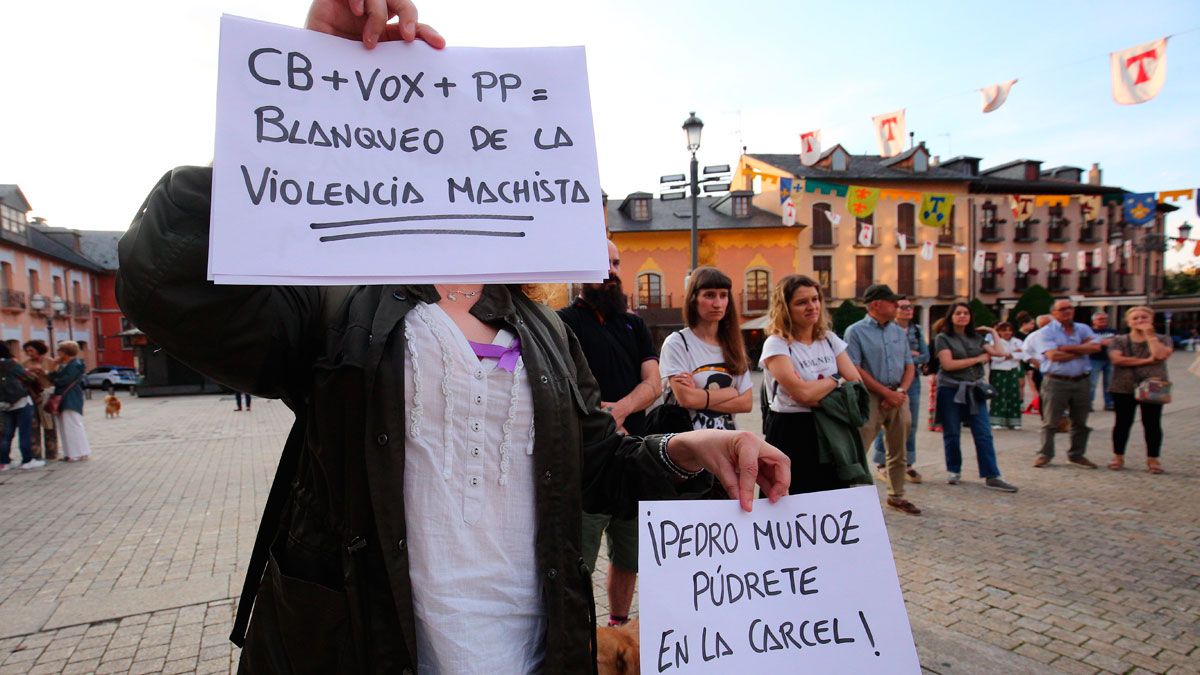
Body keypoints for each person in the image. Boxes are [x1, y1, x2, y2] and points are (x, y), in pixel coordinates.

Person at [115, 4, 790, 672]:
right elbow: (167, 284)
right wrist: (293, 111)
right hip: (361, 648)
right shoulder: (338, 296)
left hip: (531, 653)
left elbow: (595, 463)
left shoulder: (544, 330)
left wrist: (688, 447)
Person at [557, 240, 662, 628]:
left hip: (634, 457)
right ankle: (579, 632)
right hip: (586, 461)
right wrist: (598, 418)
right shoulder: (561, 323)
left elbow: (654, 382)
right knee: (579, 556)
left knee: (629, 554)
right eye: (604, 262)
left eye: (617, 262)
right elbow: (561, 387)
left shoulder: (634, 325)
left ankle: (617, 625)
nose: (613, 270)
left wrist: (620, 410)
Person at [759, 275, 865, 494]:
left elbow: (855, 382)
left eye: (815, 299)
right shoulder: (777, 344)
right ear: (785, 308)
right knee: (789, 497)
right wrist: (836, 379)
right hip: (791, 430)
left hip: (830, 428)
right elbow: (803, 395)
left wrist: (817, 389)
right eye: (802, 302)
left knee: (831, 497)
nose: (812, 306)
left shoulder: (828, 339)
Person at [844, 284, 919, 515]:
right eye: (892, 301)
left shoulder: (898, 331)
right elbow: (854, 368)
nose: (897, 305)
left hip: (898, 396)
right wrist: (886, 394)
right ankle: (850, 498)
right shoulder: (855, 331)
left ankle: (897, 496)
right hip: (870, 398)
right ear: (876, 304)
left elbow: (909, 365)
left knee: (899, 449)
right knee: (859, 449)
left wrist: (901, 392)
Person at [934, 303, 1018, 492]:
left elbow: (1000, 353)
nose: (962, 316)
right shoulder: (943, 338)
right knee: (952, 432)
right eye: (958, 313)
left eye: (966, 313)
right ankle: (954, 469)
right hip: (951, 389)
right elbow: (948, 364)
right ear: (951, 316)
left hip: (975, 390)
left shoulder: (977, 338)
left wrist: (992, 331)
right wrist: (978, 359)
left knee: (983, 433)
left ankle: (992, 475)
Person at [659, 267, 753, 432]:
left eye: (723, 295)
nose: (717, 304)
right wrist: (730, 392)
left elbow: (746, 403)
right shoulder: (677, 343)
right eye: (709, 295)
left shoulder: (733, 345)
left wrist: (699, 395)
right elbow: (686, 399)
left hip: (728, 441)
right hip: (688, 442)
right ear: (693, 299)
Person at [1028, 300, 1100, 468]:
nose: (1067, 311)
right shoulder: (1045, 333)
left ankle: (1076, 454)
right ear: (1054, 313)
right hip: (1056, 381)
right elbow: (1054, 356)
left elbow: (1096, 347)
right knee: (1051, 421)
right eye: (1062, 309)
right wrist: (1082, 349)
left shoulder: (1083, 328)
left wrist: (1066, 348)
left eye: (1070, 308)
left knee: (1080, 421)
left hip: (1081, 380)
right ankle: (1045, 454)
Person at [1107, 306, 1173, 473]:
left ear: (1151, 320)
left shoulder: (1162, 338)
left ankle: (1153, 459)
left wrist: (1150, 336)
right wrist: (1146, 361)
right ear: (1128, 322)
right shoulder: (1119, 340)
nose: (1140, 321)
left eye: (1144, 317)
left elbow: (1160, 355)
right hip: (1123, 386)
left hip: (1154, 385)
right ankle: (1118, 455)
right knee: (1122, 422)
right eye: (1135, 318)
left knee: (1152, 423)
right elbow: (1117, 359)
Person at [871, 298, 927, 483]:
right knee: (884, 425)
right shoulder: (887, 329)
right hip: (887, 384)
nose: (907, 310)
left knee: (909, 425)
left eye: (910, 307)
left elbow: (925, 355)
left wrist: (910, 360)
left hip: (911, 382)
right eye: (903, 307)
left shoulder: (916, 330)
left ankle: (907, 464)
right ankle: (881, 464)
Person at [0, 344, 43, 471]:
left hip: (3, 404)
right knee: (25, 432)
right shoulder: (11, 364)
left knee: (6, 434)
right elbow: (28, 378)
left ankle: (4, 462)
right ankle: (27, 460)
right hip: (20, 402)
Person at [51, 341, 90, 462]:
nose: (58, 353)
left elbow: (63, 381)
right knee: (69, 425)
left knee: (71, 425)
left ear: (65, 352)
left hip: (69, 398)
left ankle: (75, 453)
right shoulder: (70, 364)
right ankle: (76, 452)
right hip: (69, 397)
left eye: (60, 350)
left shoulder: (73, 365)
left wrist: (53, 374)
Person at [21, 340, 58, 461]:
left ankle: (52, 454)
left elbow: (56, 379)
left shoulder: (50, 362)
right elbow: (22, 381)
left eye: (31, 350)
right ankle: (35, 455)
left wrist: (44, 373)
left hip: (47, 397)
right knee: (33, 427)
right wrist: (29, 373)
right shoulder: (25, 364)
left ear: (39, 350)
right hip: (32, 398)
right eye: (27, 351)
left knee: (49, 426)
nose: (29, 353)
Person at [987, 322, 1024, 429]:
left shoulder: (1017, 341)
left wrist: (1010, 354)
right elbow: (995, 357)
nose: (1007, 333)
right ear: (999, 331)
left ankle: (1014, 421)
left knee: (1013, 394)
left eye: (1009, 330)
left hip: (1013, 370)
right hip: (999, 371)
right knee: (999, 395)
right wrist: (1008, 355)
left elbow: (1023, 354)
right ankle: (997, 420)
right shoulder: (994, 342)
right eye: (1004, 330)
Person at [1088, 311, 1117, 411]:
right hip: (1094, 359)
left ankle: (1109, 403)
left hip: (1110, 359)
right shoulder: (1089, 331)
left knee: (1109, 383)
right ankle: (1088, 404)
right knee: (1092, 383)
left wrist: (1099, 341)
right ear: (1094, 321)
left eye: (1105, 319)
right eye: (1100, 319)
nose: (1103, 321)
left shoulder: (1112, 331)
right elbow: (1089, 342)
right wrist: (1102, 341)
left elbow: (1116, 342)